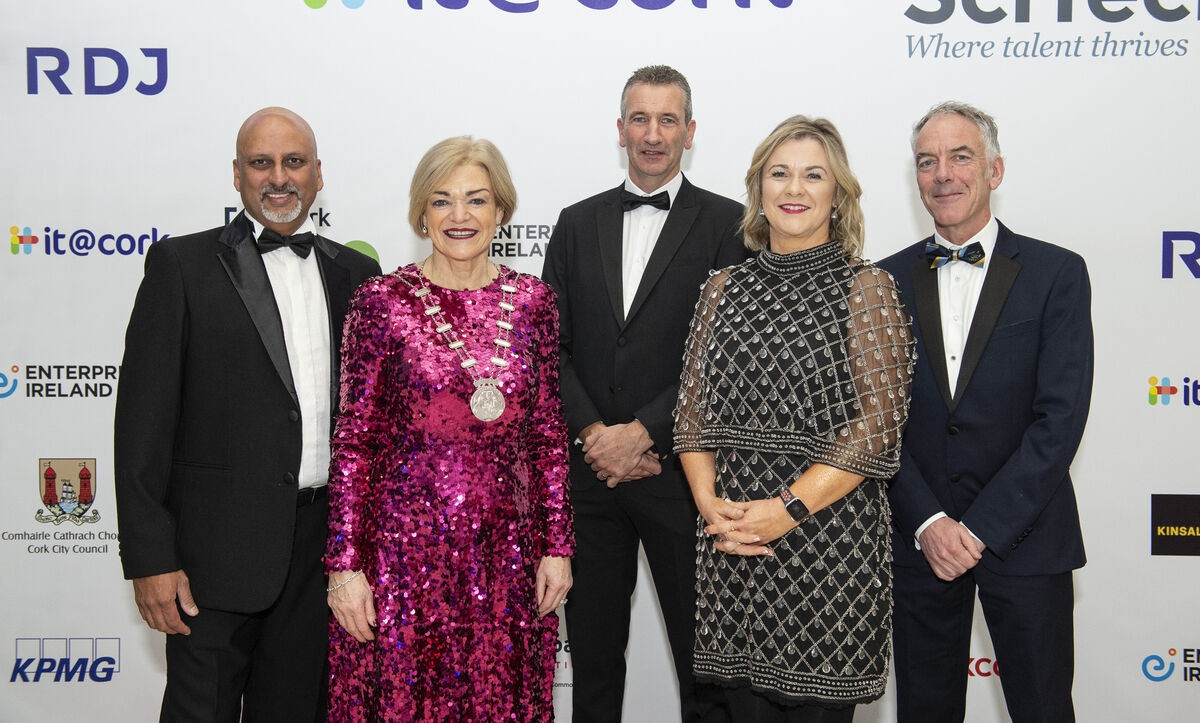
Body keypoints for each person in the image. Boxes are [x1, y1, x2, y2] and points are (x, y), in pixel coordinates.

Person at [114, 107, 381, 721]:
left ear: (319, 175)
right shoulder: (181, 267)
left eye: (294, 162)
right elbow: (142, 427)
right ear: (237, 176)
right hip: (210, 561)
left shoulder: (358, 277)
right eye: (262, 163)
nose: (278, 178)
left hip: (320, 556)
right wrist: (151, 558)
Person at [323, 136, 573, 722]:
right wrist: (343, 566)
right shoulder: (381, 302)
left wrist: (558, 547)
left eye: (476, 200)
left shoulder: (535, 302)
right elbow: (354, 441)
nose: (459, 216)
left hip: (508, 558)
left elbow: (547, 436)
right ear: (421, 214)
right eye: (442, 201)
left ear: (501, 212)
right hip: (400, 560)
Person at [674, 115, 914, 722]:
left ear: (839, 194)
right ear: (759, 190)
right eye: (779, 174)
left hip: (828, 548)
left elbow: (876, 429)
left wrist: (785, 511)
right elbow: (694, 410)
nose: (794, 189)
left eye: (813, 175)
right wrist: (710, 505)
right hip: (733, 544)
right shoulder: (722, 288)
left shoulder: (869, 287)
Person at [542, 64, 746, 723]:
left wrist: (645, 431)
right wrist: (595, 434)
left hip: (683, 477)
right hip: (590, 477)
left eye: (666, 120)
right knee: (593, 661)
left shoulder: (731, 223)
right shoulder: (575, 223)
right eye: (639, 118)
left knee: (704, 668)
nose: (651, 134)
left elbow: (725, 354)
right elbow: (552, 345)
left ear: (690, 132)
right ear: (620, 128)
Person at [877, 102, 1092, 723]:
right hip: (921, 544)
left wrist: (980, 528)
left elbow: (1060, 419)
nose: (943, 173)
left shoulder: (1057, 273)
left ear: (995, 170)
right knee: (925, 710)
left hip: (1025, 540)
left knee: (1043, 709)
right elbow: (877, 422)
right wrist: (929, 522)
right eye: (927, 161)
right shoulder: (881, 281)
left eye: (960, 156)